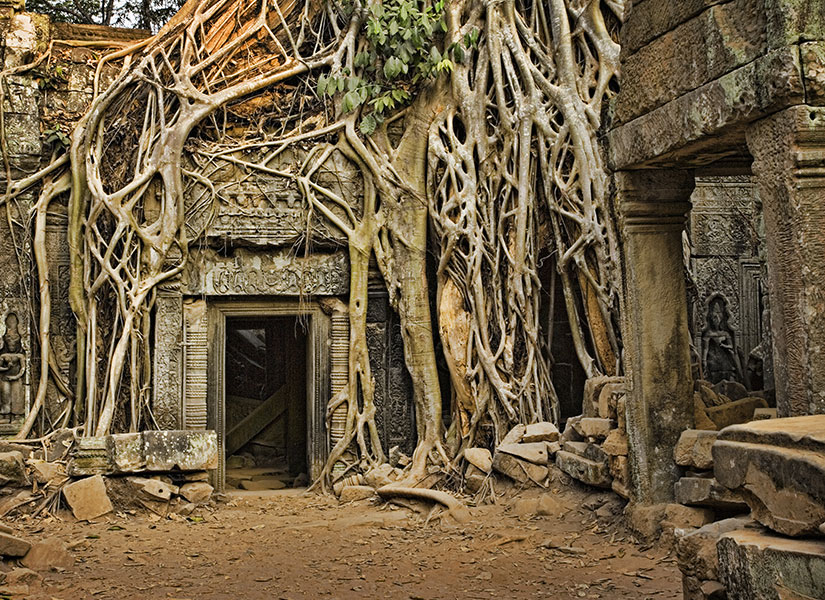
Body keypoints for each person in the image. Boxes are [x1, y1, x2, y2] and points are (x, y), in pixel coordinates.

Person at [701, 294, 744, 385]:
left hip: (725, 359)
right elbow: (705, 349)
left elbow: (732, 347)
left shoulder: (726, 333)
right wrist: (703, 361)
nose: (715, 321)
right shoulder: (709, 334)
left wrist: (724, 345)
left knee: (728, 369)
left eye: (717, 319)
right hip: (713, 359)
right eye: (713, 319)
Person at [0, 313, 25, 415]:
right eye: (9, 344)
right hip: (5, 378)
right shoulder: (2, 356)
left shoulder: (20, 356)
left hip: (16, 378)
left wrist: (16, 377)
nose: (11, 347)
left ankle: (17, 416)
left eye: (14, 344)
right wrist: (6, 369)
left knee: (17, 397)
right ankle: (4, 415)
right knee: (5, 396)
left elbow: (23, 369)